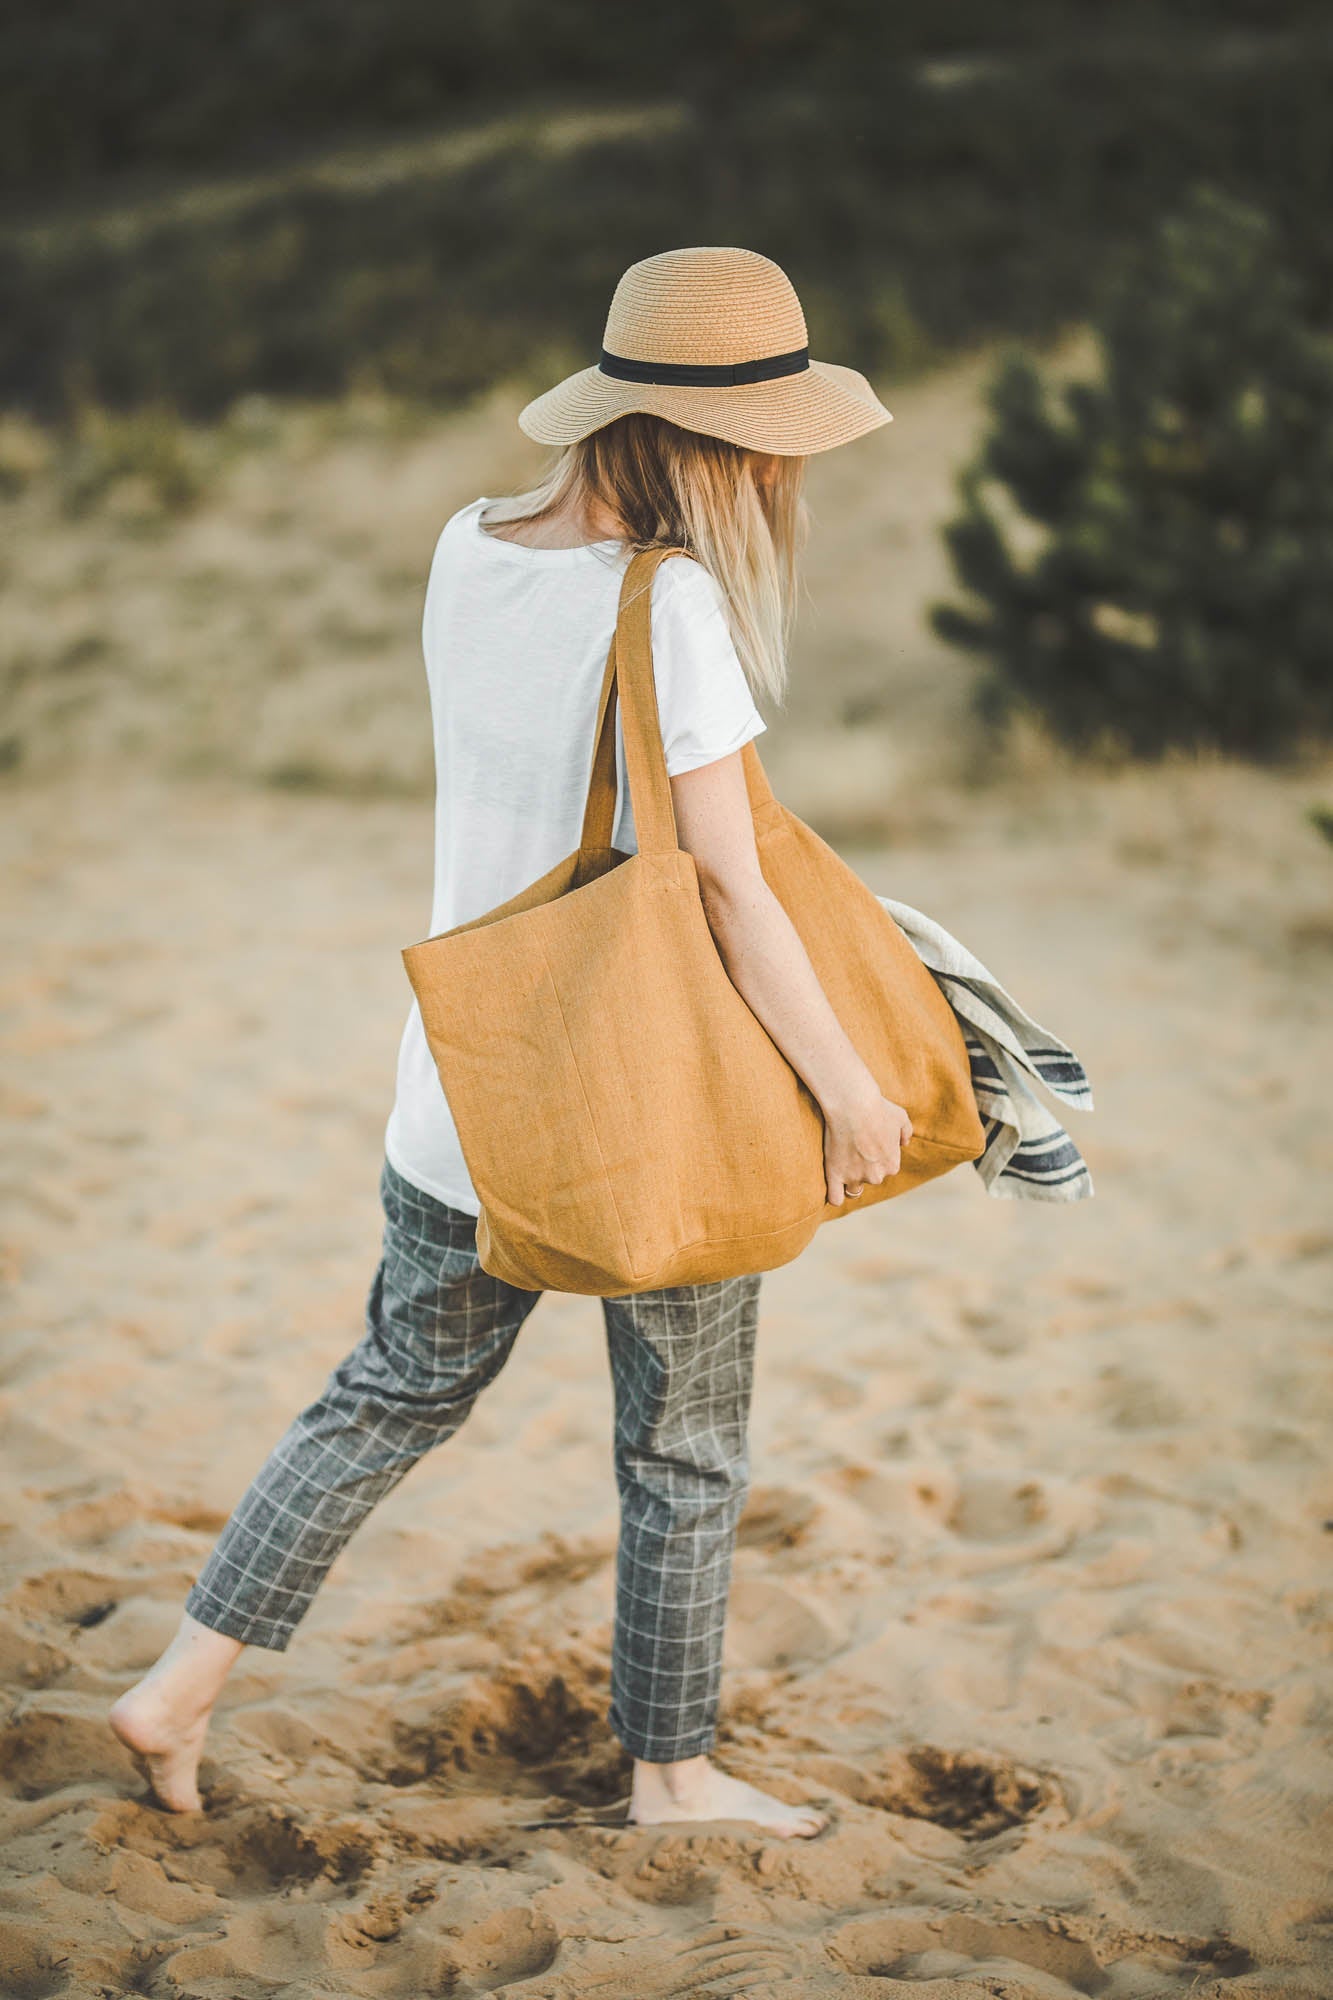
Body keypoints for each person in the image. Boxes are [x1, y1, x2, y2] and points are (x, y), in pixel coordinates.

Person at [108, 246, 913, 1838]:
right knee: (682, 1449)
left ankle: (174, 1688)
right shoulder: (669, 601)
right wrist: (851, 1088)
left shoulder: (466, 546)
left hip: (460, 1090)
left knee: (383, 1395)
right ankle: (672, 1774)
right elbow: (737, 903)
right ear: (734, 443)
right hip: (632, 1111)